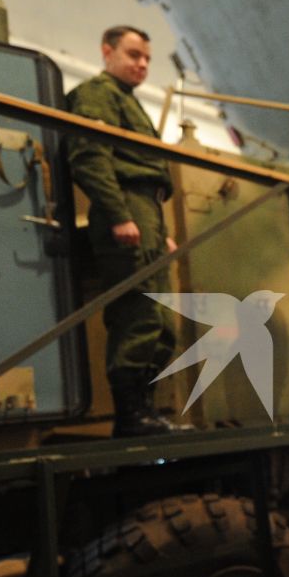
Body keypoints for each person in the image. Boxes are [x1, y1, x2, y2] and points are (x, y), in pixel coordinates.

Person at [66, 25, 181, 436]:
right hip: (128, 203)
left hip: (146, 207)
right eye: (134, 55)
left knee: (161, 320)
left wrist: (156, 225)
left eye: (147, 58)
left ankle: (145, 411)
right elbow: (90, 158)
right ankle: (131, 415)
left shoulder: (127, 101)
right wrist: (119, 214)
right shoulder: (98, 94)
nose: (142, 64)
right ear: (107, 52)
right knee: (138, 309)